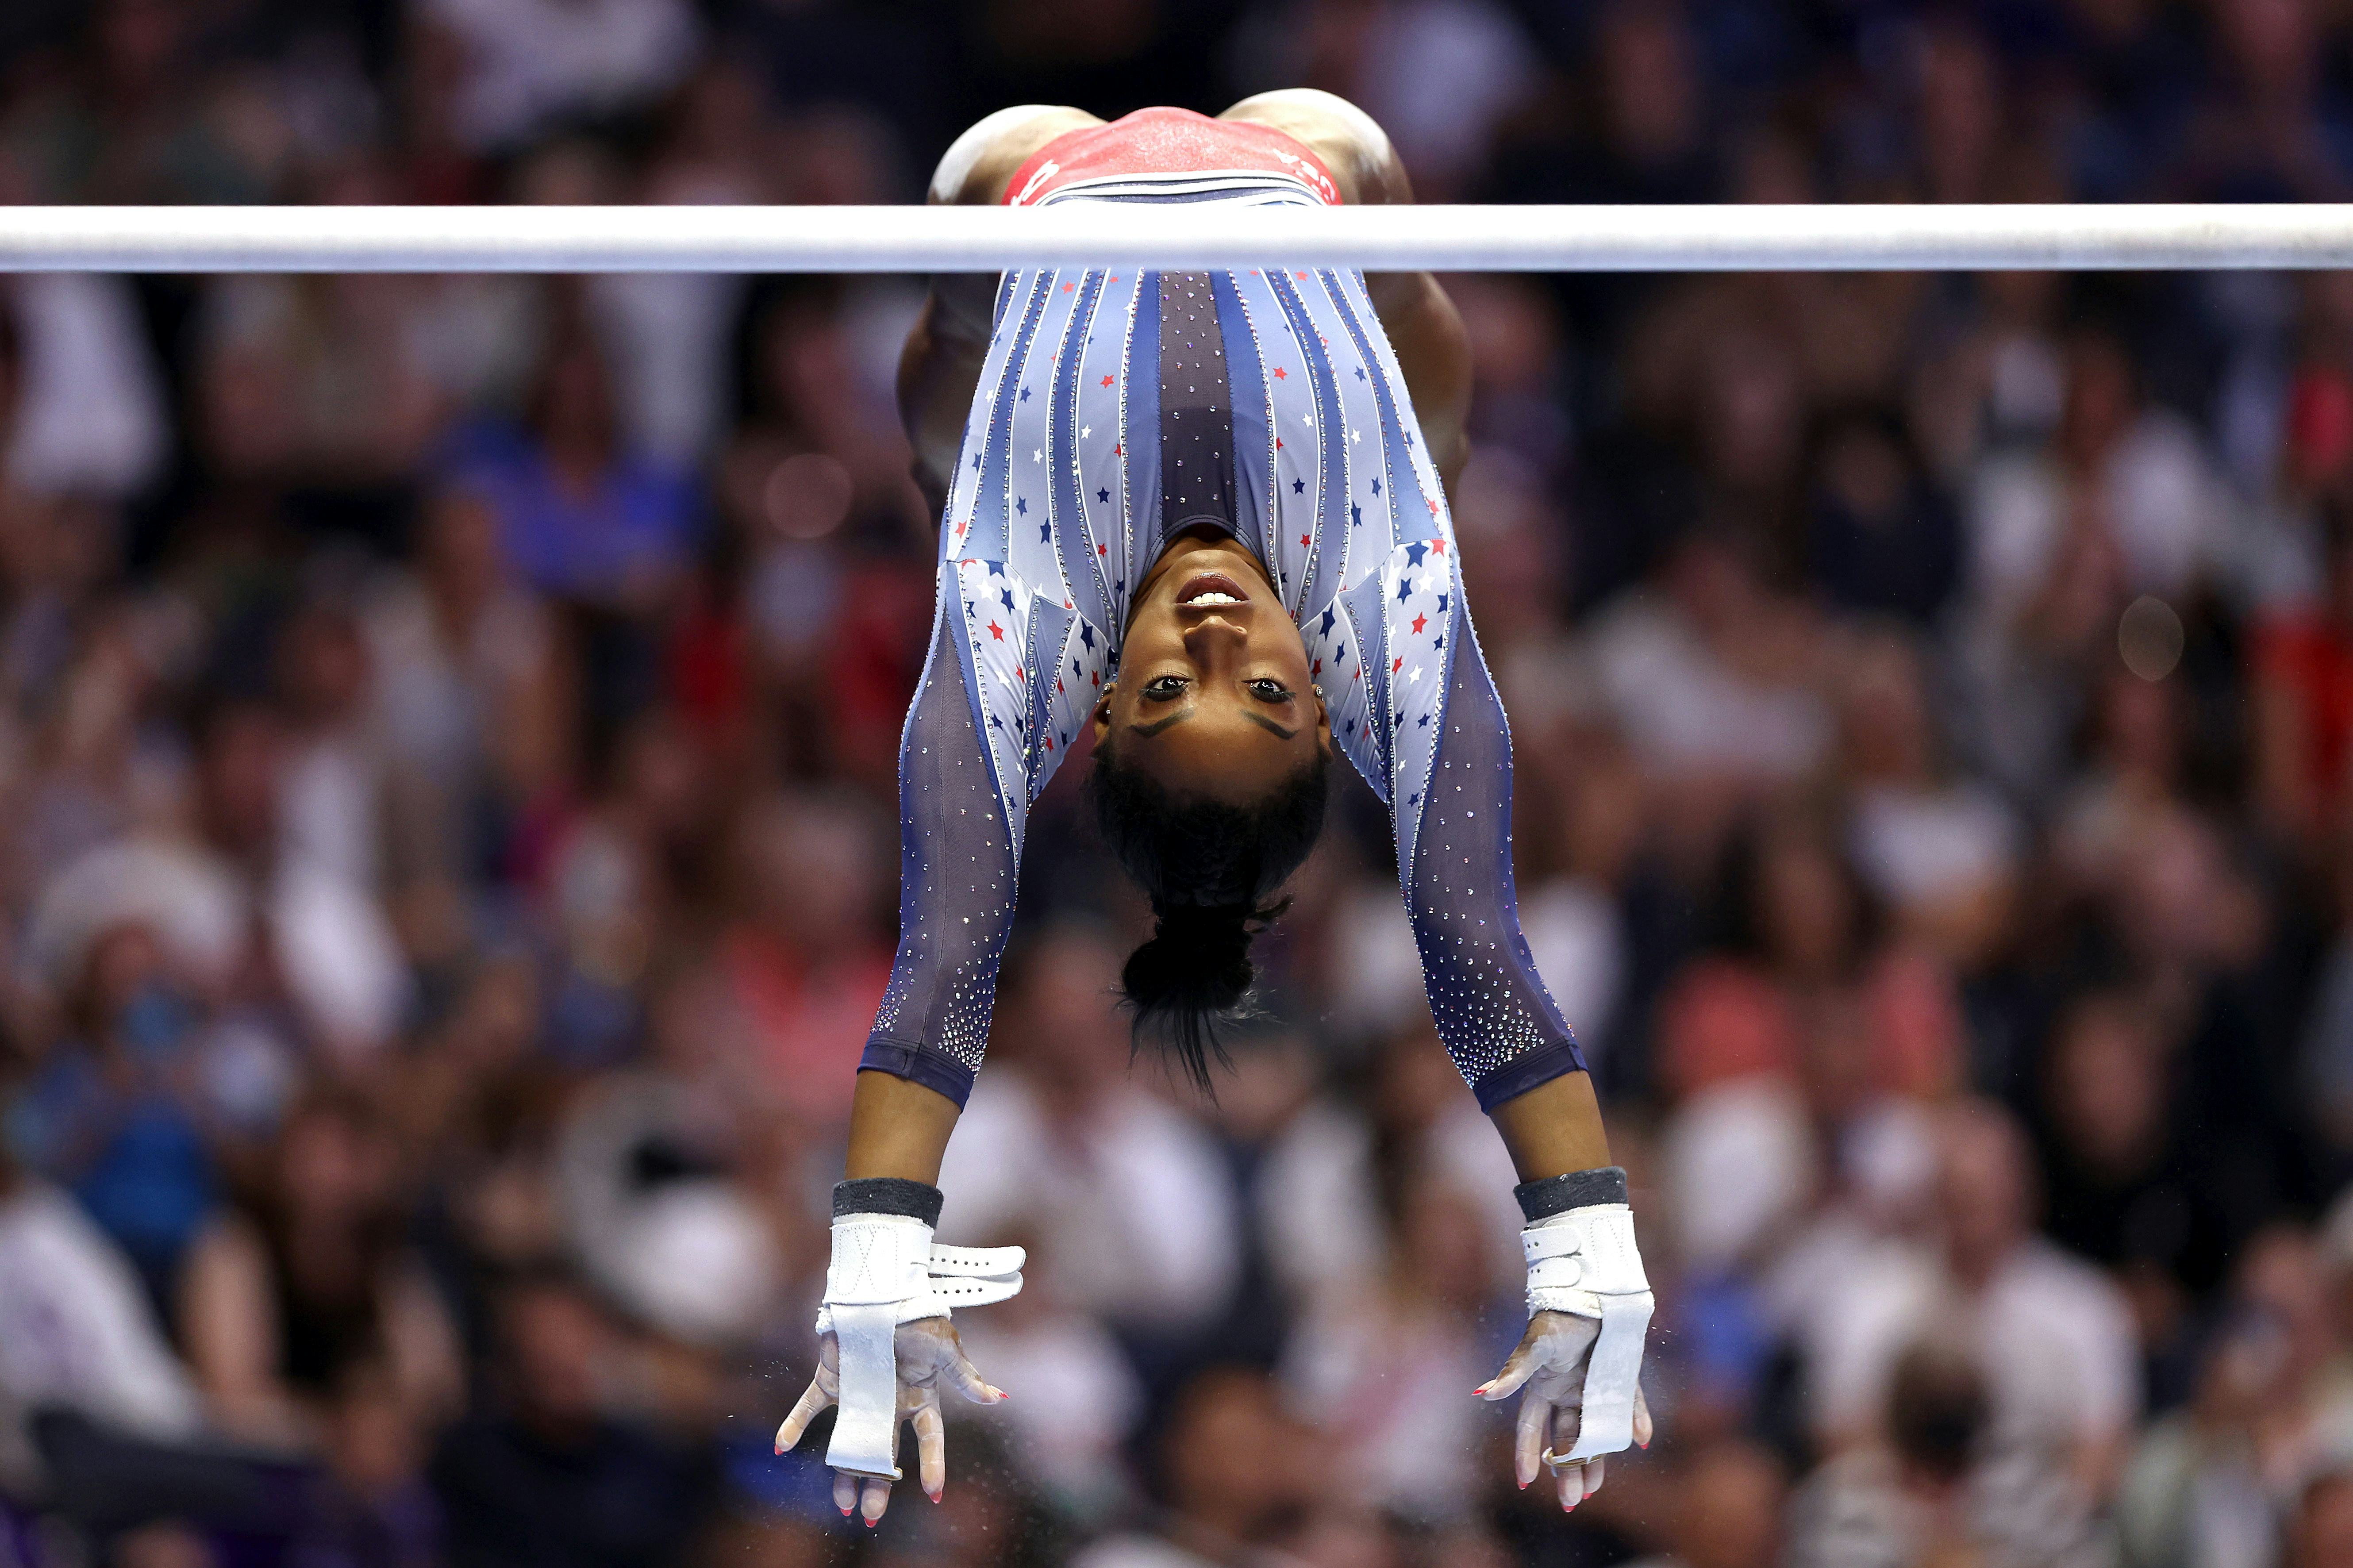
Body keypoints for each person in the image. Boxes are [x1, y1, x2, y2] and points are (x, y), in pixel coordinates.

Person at [774, 92, 1653, 1523]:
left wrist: (875, 1254)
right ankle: (1434, 423)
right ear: (1332, 694)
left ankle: (947, 416)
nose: (1218, 642)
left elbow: (942, 968)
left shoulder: (1026, 608)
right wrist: (1587, 1243)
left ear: (1101, 710)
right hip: (1311, 160)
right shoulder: (1386, 609)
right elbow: (1475, 940)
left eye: (1176, 692)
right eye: (1271, 696)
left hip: (1027, 172)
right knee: (1415, 336)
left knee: (955, 330)